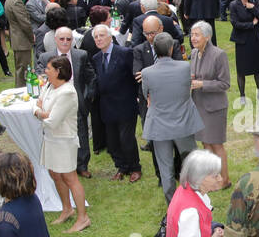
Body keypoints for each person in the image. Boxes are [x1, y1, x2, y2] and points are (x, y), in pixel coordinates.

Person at [141, 33, 202, 202]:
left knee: (165, 168)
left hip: (159, 126)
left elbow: (146, 94)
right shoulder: (184, 67)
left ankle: (173, 203)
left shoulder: (147, 73)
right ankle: (196, 196)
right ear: (171, 48)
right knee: (191, 162)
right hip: (183, 123)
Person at [36, 54, 91, 230]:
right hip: (51, 139)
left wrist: (39, 113)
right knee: (55, 174)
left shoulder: (67, 92)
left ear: (58, 71)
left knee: (70, 178)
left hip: (63, 141)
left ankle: (83, 217)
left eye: (48, 68)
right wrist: (41, 111)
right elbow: (39, 104)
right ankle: (67, 209)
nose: (45, 71)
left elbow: (52, 120)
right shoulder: (50, 86)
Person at [90, 23, 141, 182]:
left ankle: (134, 168)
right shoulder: (96, 58)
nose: (99, 39)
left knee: (126, 139)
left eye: (101, 35)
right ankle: (122, 166)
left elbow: (135, 77)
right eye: (96, 37)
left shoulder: (125, 53)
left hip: (125, 103)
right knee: (112, 141)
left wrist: (138, 95)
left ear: (110, 37)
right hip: (107, 106)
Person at [187, 21, 230, 188]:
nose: (193, 38)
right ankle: (214, 176)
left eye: (197, 35)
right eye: (192, 35)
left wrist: (202, 84)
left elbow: (225, 84)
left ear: (207, 36)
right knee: (205, 143)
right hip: (198, 105)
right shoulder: (194, 53)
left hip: (214, 108)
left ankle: (225, 180)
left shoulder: (219, 55)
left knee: (216, 144)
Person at [228, 0, 259, 100]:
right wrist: (252, 24)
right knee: (241, 70)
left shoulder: (254, 1)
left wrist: (252, 8)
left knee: (257, 69)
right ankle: (242, 96)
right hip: (242, 41)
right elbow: (235, 24)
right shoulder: (234, 5)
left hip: (254, 39)